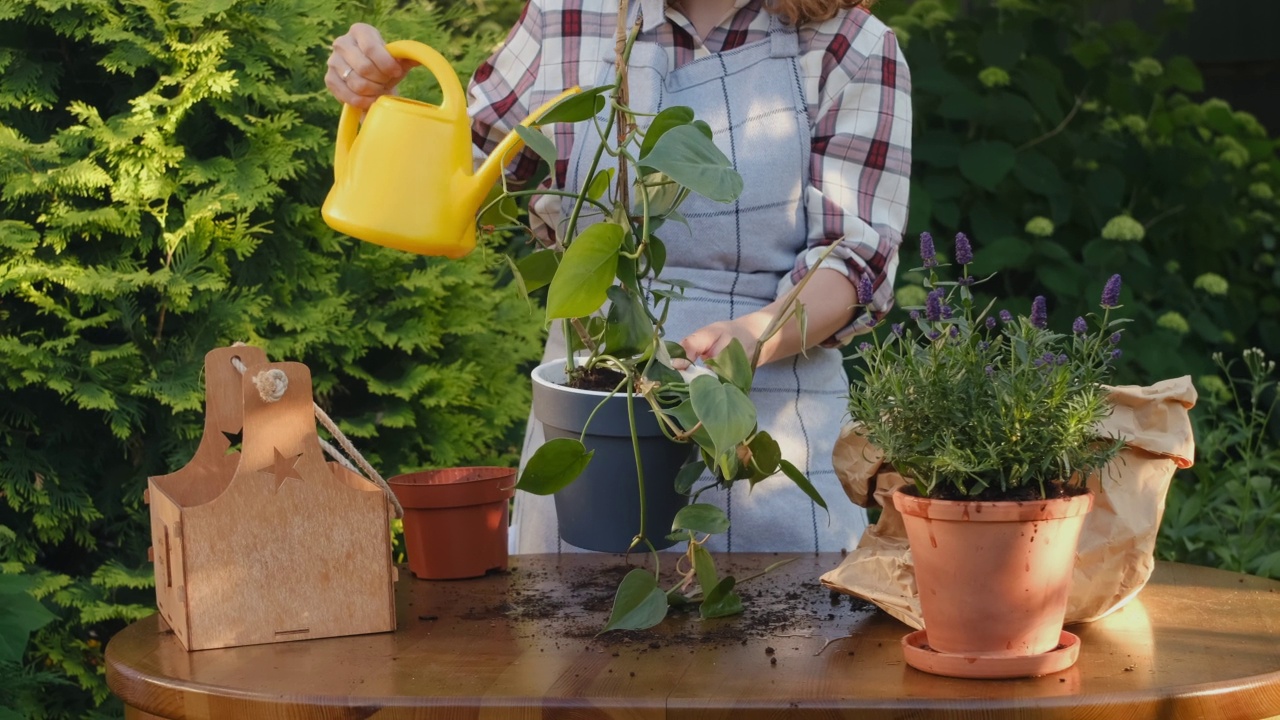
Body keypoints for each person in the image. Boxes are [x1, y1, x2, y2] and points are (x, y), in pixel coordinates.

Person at [326, 0, 912, 554]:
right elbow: (455, 189)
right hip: (588, 421)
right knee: (569, 643)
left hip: (766, 433)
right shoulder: (567, 14)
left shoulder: (851, 46)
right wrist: (380, 100)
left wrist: (754, 337)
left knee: (780, 647)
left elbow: (853, 260)